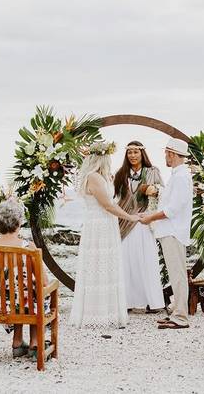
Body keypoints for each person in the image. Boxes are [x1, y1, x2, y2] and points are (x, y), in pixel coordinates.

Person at [70, 141, 139, 329]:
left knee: (107, 267)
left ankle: (109, 312)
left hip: (106, 225)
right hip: (99, 227)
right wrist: (129, 217)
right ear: (101, 158)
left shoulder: (102, 177)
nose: (109, 160)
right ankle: (96, 314)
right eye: (107, 157)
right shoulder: (94, 178)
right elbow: (107, 205)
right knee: (96, 267)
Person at [139, 138, 193, 330]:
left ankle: (181, 317)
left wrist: (151, 218)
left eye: (166, 153)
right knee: (175, 273)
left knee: (177, 275)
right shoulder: (178, 175)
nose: (165, 157)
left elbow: (173, 209)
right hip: (171, 230)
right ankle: (177, 311)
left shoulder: (180, 177)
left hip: (174, 231)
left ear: (172, 154)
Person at [0, 200, 49, 358]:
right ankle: (35, 343)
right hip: (22, 303)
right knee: (33, 292)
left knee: (18, 292)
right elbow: (44, 281)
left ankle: (18, 342)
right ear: (19, 222)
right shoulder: (28, 248)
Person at [113, 141, 165, 312]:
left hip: (144, 221)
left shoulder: (152, 172)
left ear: (142, 154)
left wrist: (154, 190)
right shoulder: (120, 174)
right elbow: (115, 198)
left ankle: (152, 301)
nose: (133, 155)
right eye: (130, 153)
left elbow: (164, 193)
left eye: (136, 152)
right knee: (126, 261)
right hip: (125, 222)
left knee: (146, 260)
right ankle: (126, 302)